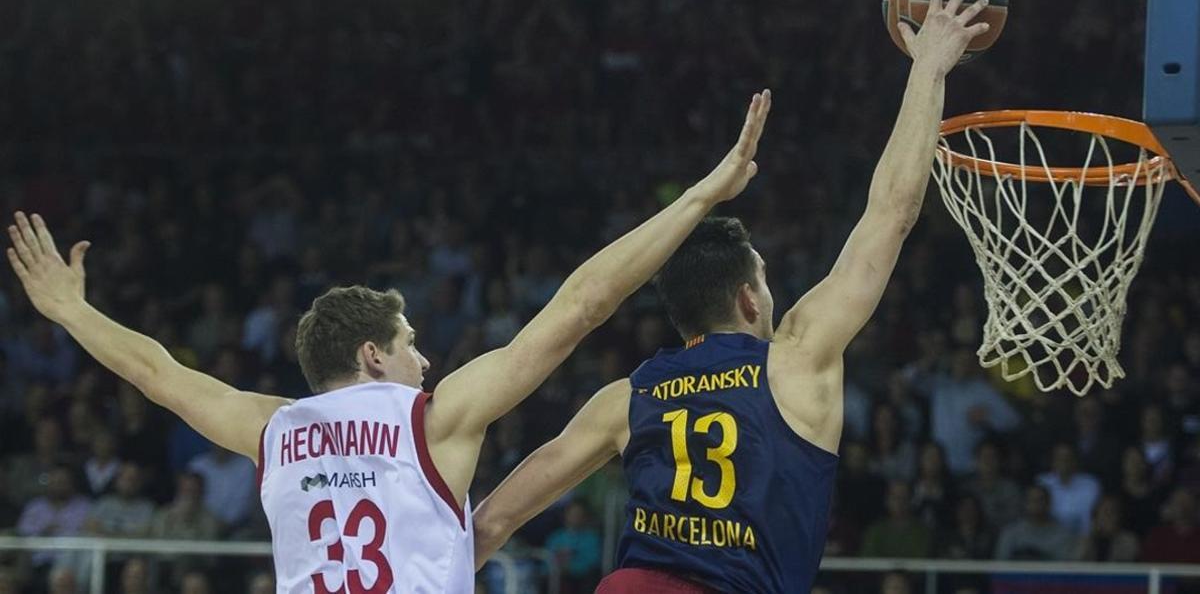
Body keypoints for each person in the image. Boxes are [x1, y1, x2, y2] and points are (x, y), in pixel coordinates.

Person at [4, 90, 770, 593]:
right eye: (410, 342)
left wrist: (72, 312)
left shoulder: (272, 429)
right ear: (373, 353)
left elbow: (156, 372)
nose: (424, 358)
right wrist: (701, 194)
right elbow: (581, 304)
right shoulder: (432, 421)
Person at [473, 0, 992, 593]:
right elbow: (891, 214)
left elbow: (492, 521)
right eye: (766, 281)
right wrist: (930, 68)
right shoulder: (797, 363)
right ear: (749, 297)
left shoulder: (626, 397)